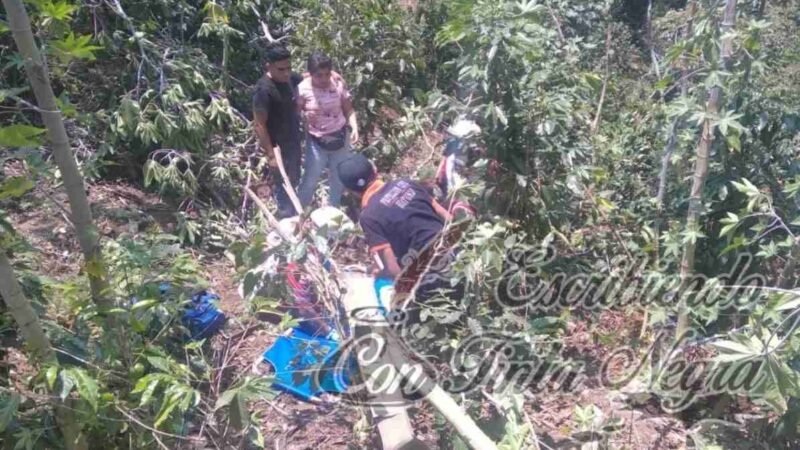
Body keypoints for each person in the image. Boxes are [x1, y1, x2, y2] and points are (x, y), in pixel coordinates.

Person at [336, 154, 467, 316]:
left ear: (349, 190)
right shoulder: (406, 183)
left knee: (381, 283)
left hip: (432, 278)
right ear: (375, 171)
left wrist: (382, 275)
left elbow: (392, 268)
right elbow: (447, 218)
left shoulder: (369, 217)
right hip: (458, 255)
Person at [296, 51, 359, 209]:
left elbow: (349, 109)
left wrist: (354, 127)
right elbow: (295, 113)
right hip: (316, 141)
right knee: (310, 179)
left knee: (338, 177)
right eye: (319, 75)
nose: (324, 79)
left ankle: (333, 211)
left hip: (340, 137)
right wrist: (303, 117)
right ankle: (299, 212)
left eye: (327, 74)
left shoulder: (337, 84)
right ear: (311, 74)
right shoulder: (302, 89)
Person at [252, 44, 303, 219]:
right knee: (282, 183)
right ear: (269, 66)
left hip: (293, 140)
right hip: (278, 147)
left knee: (294, 177)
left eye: (289, 68)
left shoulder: (289, 78)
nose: (287, 73)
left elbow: (307, 77)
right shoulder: (264, 90)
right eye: (281, 69)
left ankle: (295, 213)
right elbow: (259, 124)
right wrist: (271, 155)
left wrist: (332, 74)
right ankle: (284, 216)